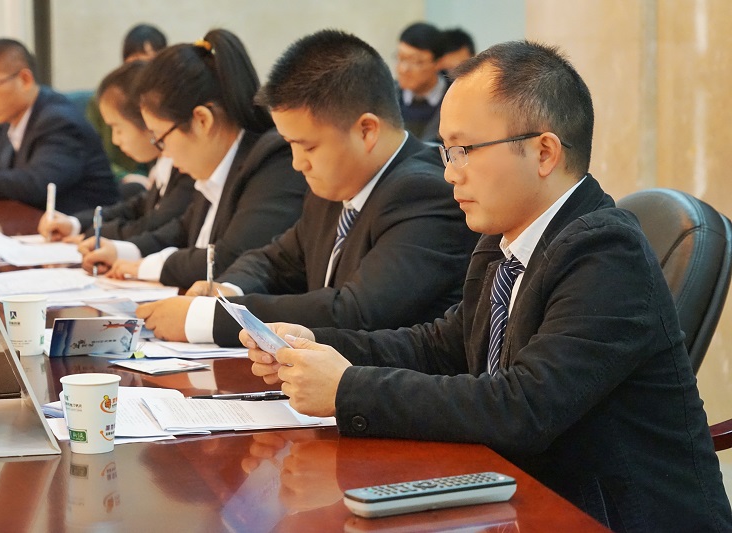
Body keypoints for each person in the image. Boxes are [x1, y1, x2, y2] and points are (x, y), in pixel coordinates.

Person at [244, 40, 732, 531]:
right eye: (445, 151)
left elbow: (523, 407)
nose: (449, 172)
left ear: (544, 152)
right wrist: (316, 344)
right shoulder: (504, 241)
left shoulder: (606, 252)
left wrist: (347, 388)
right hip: (520, 499)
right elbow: (440, 347)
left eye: (464, 151)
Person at [137, 30, 478, 347]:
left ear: (366, 131)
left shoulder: (423, 192)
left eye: (308, 147)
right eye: (290, 144)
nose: (297, 163)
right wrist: (228, 288)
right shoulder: (334, 187)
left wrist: (209, 318)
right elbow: (273, 260)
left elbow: (354, 312)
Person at [78, 30, 307, 291]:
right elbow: (181, 230)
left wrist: (144, 267)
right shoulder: (216, 167)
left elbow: (230, 257)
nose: (163, 152)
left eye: (160, 138)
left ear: (202, 121)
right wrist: (124, 251)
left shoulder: (274, 163)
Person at [0, 39, 118, 214]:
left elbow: (35, 184)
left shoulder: (59, 121)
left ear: (25, 79)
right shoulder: (17, 116)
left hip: (85, 229)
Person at [37, 60, 196, 242]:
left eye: (118, 128)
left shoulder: (187, 168)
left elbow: (155, 224)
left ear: (148, 121)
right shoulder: (165, 165)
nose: (114, 140)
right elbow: (137, 207)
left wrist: (93, 235)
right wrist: (75, 224)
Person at [86, 23, 169, 197]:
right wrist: (125, 176)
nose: (144, 71)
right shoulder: (105, 101)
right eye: (136, 62)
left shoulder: (167, 107)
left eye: (151, 62)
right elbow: (92, 153)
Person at [395, 22, 448, 143]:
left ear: (439, 62)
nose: (403, 69)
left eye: (415, 61)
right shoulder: (386, 96)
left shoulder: (455, 97)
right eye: (400, 58)